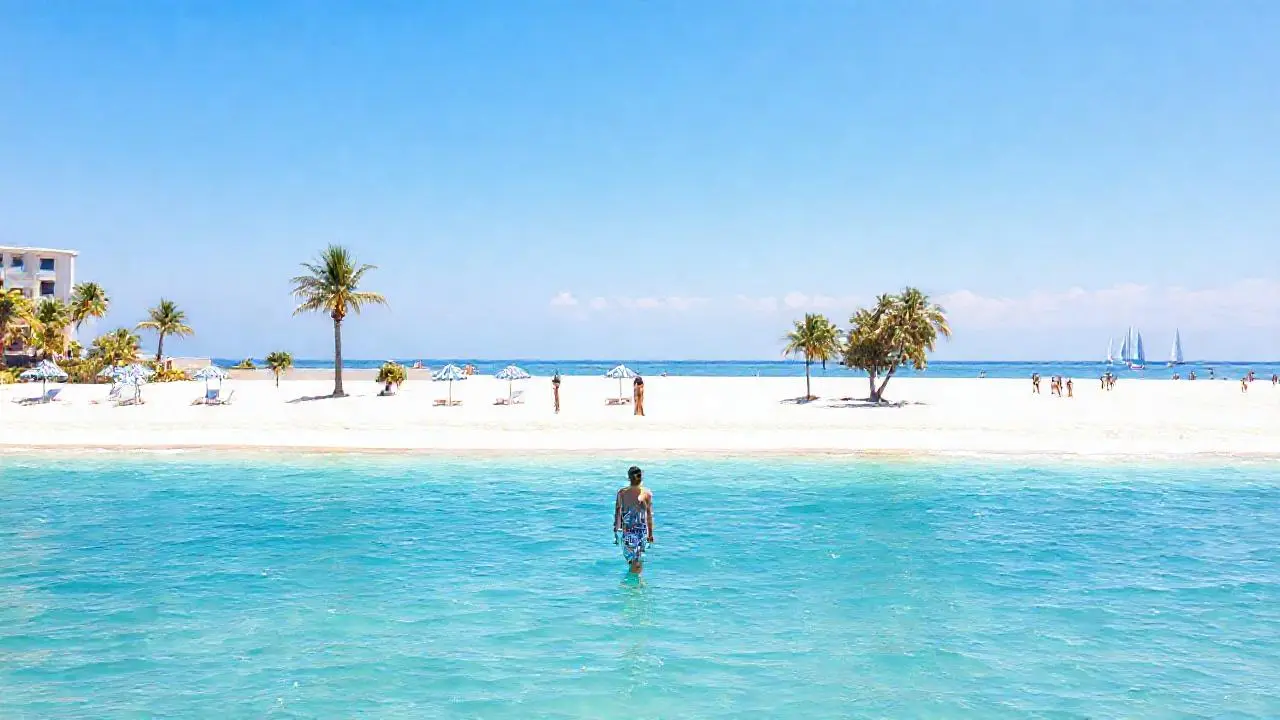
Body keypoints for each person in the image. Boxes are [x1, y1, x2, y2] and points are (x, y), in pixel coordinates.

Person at [614, 466, 654, 574]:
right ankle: (635, 585)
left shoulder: (623, 493)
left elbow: (618, 513)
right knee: (636, 561)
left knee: (634, 561)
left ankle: (633, 585)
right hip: (636, 532)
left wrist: (616, 532)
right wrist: (650, 534)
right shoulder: (645, 493)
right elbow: (648, 516)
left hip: (632, 532)